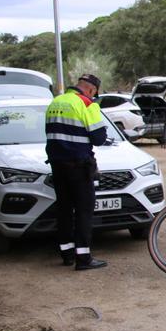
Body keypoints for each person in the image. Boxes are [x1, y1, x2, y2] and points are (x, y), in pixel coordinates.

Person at [45, 73, 108, 270]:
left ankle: (67, 254)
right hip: (79, 166)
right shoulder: (87, 104)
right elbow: (99, 137)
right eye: (94, 94)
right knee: (83, 211)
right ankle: (83, 258)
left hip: (57, 165)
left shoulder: (55, 103)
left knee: (64, 209)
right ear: (91, 90)